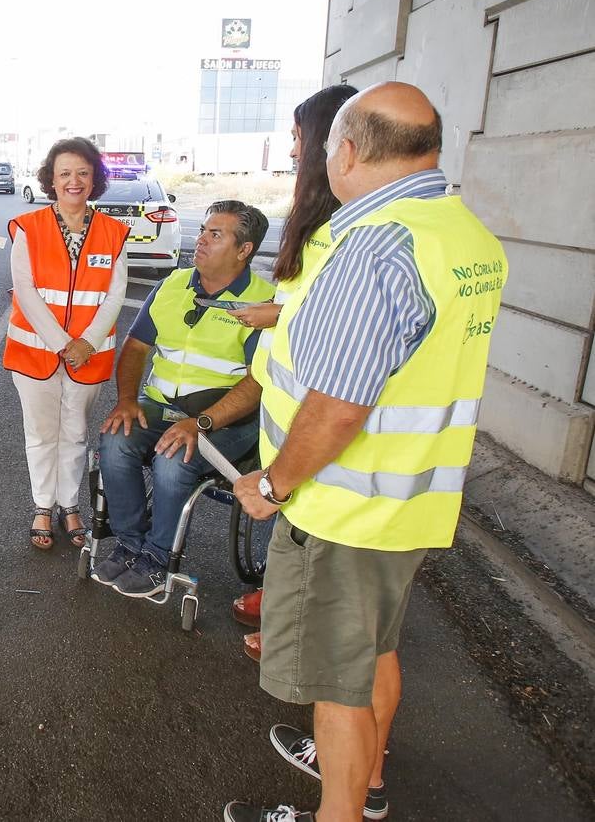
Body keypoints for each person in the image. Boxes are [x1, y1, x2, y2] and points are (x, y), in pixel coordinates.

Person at [223, 82, 507, 822]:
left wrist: (277, 483)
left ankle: (338, 812)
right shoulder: (461, 233)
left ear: (346, 150)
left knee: (336, 686)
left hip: (344, 510)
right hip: (407, 503)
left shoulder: (376, 246)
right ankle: (367, 785)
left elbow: (341, 404)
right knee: (374, 653)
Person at [227, 83, 358, 662]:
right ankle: (281, 600)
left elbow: (345, 350)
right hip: (288, 421)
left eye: (300, 139)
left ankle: (294, 634)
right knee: (294, 534)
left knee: (345, 628)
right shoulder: (321, 225)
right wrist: (278, 313)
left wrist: (274, 482)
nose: (292, 150)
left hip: (320, 430)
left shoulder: (353, 238)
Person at [94, 201, 275, 597]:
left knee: (175, 458)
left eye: (215, 234)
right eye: (203, 231)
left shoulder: (264, 303)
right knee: (114, 438)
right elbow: (137, 347)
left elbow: (258, 381)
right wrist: (127, 400)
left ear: (244, 250)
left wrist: (200, 424)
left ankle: (160, 559)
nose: (201, 241)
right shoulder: (172, 285)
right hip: (160, 404)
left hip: (224, 419)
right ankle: (129, 544)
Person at [5, 138, 129, 550]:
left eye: (82, 172)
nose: (73, 181)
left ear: (94, 179)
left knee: (76, 433)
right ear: (51, 181)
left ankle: (69, 505)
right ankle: (43, 506)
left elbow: (115, 294)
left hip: (88, 356)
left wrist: (87, 342)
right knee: (41, 434)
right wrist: (63, 343)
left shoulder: (113, 233)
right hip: (36, 351)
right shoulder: (29, 228)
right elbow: (25, 290)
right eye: (64, 173)